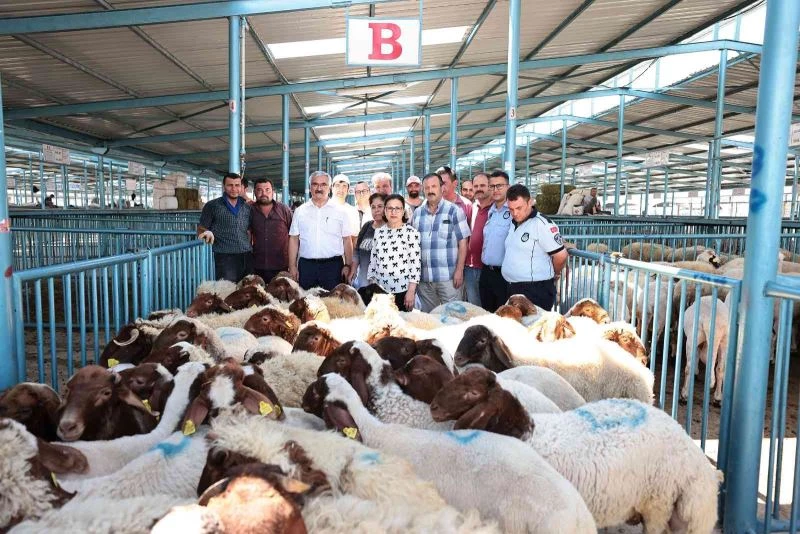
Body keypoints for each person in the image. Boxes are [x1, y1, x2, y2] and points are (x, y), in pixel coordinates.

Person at [501, 184, 568, 310]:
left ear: (530, 202)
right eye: (511, 209)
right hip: (512, 287)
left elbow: (561, 255)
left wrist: (554, 273)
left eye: (519, 208)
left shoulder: (542, 224)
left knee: (534, 322)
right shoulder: (513, 223)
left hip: (534, 290)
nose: (515, 213)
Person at [411, 173, 470, 312]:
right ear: (423, 190)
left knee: (454, 315)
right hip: (425, 279)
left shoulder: (454, 211)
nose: (430, 190)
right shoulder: (417, 213)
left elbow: (463, 242)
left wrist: (459, 270)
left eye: (434, 186)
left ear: (442, 188)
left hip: (448, 277)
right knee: (430, 318)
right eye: (427, 187)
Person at [288, 171, 354, 290]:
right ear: (310, 187)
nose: (319, 188)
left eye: (323, 184)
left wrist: (348, 265)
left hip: (333, 267)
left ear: (329, 188)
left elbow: (347, 240)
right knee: (306, 299)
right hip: (306, 267)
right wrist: (292, 266)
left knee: (333, 299)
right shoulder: (300, 211)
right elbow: (293, 239)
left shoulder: (341, 211)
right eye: (315, 184)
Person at [368, 194, 421, 311]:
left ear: (403, 211)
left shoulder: (411, 233)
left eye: (397, 208)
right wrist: (372, 284)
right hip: (381, 291)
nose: (393, 212)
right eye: (390, 208)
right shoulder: (378, 233)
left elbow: (415, 265)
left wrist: (411, 291)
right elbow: (373, 260)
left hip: (403, 291)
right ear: (385, 211)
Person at [198, 172, 253, 283]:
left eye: (237, 185)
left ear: (241, 187)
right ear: (224, 186)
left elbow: (249, 229)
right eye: (230, 185)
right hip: (225, 256)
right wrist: (207, 232)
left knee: (247, 289)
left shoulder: (247, 207)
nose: (234, 189)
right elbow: (200, 228)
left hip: (246, 255)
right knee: (227, 290)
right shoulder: (212, 205)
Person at [480, 170, 513, 312]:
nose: (495, 190)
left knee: (504, 316)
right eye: (492, 186)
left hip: (504, 275)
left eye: (499, 186)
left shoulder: (513, 211)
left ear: (508, 187)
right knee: (487, 314)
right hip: (487, 272)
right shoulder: (491, 211)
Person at [250, 178, 293, 283]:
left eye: (267, 190)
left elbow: (294, 236)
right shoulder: (249, 210)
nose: (263, 193)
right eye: (259, 190)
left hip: (281, 265)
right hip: (256, 265)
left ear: (273, 191)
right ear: (254, 192)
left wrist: (293, 264)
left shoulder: (284, 210)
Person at [463, 173, 491, 306]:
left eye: (482, 185)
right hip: (470, 267)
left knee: (489, 308)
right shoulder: (472, 207)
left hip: (488, 268)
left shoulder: (497, 208)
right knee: (474, 307)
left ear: (490, 187)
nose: (479, 189)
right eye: (476, 186)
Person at [350, 193, 386, 289]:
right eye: (373, 207)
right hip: (363, 283)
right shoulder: (366, 226)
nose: (376, 210)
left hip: (384, 285)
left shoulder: (391, 229)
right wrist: (353, 270)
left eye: (380, 206)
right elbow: (357, 250)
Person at [331, 174, 361, 244]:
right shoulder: (324, 207)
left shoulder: (352, 211)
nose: (341, 189)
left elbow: (354, 238)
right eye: (337, 185)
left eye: (344, 186)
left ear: (348, 190)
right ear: (332, 188)